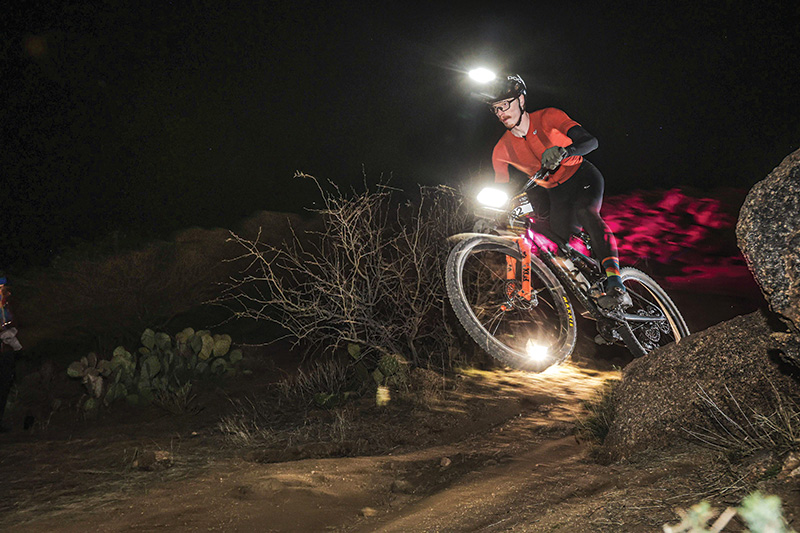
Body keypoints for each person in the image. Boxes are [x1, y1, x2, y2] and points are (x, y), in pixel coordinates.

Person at [481, 74, 631, 309]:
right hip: (552, 193)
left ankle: (616, 283)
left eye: (504, 105)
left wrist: (564, 151)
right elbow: (500, 184)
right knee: (556, 247)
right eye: (495, 109)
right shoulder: (501, 149)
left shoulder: (549, 116)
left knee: (585, 211)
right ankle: (598, 304)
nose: (500, 113)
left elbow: (591, 142)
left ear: (521, 100)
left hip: (581, 177)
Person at [1, 273, 23, 432]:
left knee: (4, 384)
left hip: (6, 351)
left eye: (3, 288)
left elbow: (16, 321)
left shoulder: (9, 304)